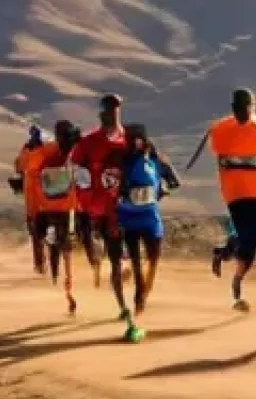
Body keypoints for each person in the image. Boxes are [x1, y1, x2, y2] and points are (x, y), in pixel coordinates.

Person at [206, 88, 256, 312]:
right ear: (233, 109)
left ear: (254, 107)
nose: (244, 113)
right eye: (239, 109)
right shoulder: (222, 129)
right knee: (245, 233)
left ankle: (226, 255)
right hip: (235, 191)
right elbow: (220, 155)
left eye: (248, 108)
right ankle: (237, 285)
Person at [116, 123, 181, 342]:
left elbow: (174, 182)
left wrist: (159, 192)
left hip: (149, 216)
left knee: (153, 258)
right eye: (129, 138)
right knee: (136, 259)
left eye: (135, 138)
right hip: (130, 215)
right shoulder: (122, 160)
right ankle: (139, 295)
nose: (131, 142)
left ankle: (143, 292)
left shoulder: (156, 159)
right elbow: (113, 183)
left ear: (142, 139)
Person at [70, 93, 130, 319]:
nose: (111, 113)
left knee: (125, 256)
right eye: (108, 109)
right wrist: (84, 199)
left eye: (115, 109)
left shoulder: (129, 141)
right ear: (102, 113)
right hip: (100, 209)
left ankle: (125, 271)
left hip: (126, 208)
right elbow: (76, 170)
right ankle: (123, 306)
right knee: (114, 258)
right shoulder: (88, 142)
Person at [29, 120, 82, 315]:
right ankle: (62, 284)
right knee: (60, 241)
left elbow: (32, 170)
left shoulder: (59, 150)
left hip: (59, 204)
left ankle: (67, 288)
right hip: (61, 204)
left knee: (54, 238)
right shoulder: (50, 152)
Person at [13, 125, 47, 275]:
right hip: (45, 191)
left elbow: (19, 166)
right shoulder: (46, 148)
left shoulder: (27, 149)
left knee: (34, 228)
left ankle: (40, 264)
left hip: (37, 193)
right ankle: (40, 264)